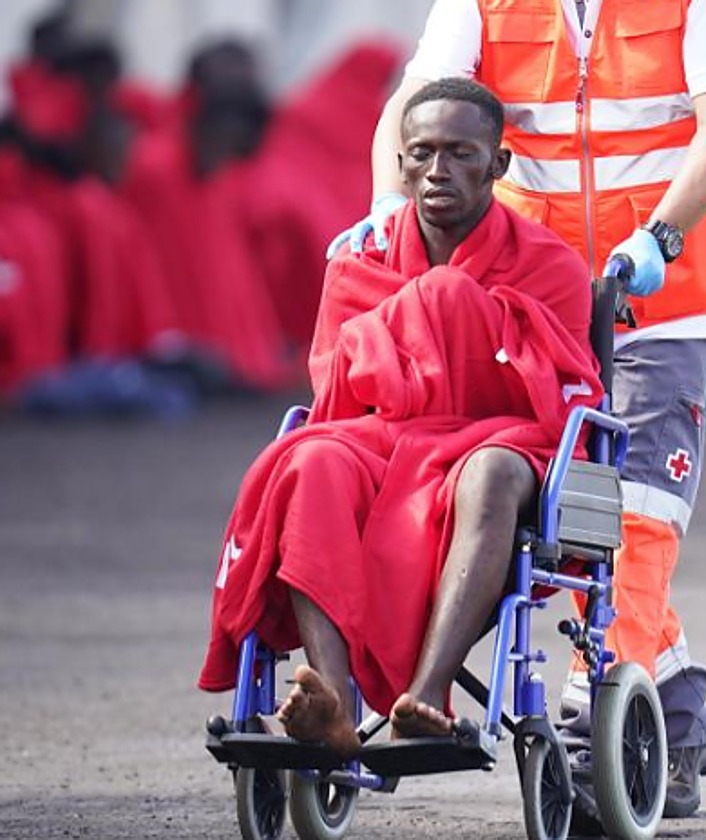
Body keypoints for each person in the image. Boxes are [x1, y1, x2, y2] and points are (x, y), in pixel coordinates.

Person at [328, 0, 706, 817]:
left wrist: (660, 241)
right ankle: (669, 713)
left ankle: (587, 712)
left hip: (663, 296)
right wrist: (391, 208)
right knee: (564, 511)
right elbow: (415, 100)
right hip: (530, 299)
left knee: (635, 513)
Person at [198, 78, 602, 755]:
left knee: (493, 474)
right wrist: (444, 319)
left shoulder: (551, 266)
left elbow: (560, 402)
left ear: (498, 165)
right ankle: (327, 699)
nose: (438, 171)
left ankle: (426, 692)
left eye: (461, 154)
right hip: (385, 439)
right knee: (311, 459)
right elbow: (337, 392)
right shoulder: (358, 262)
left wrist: (438, 306)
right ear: (401, 164)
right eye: (420, 153)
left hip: (501, 443)